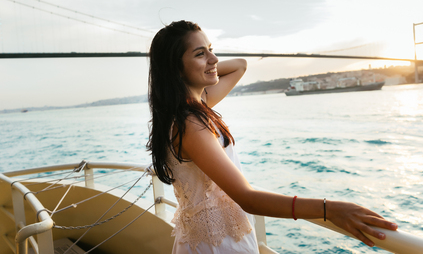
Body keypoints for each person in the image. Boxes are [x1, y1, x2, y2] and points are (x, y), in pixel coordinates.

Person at [147, 20, 398, 253]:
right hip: (218, 246)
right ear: (174, 67)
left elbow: (240, 65)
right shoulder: (191, 123)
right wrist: (328, 209)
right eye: (200, 53)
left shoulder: (195, 105)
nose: (214, 58)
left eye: (211, 49)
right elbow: (248, 198)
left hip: (212, 240)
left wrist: (204, 67)